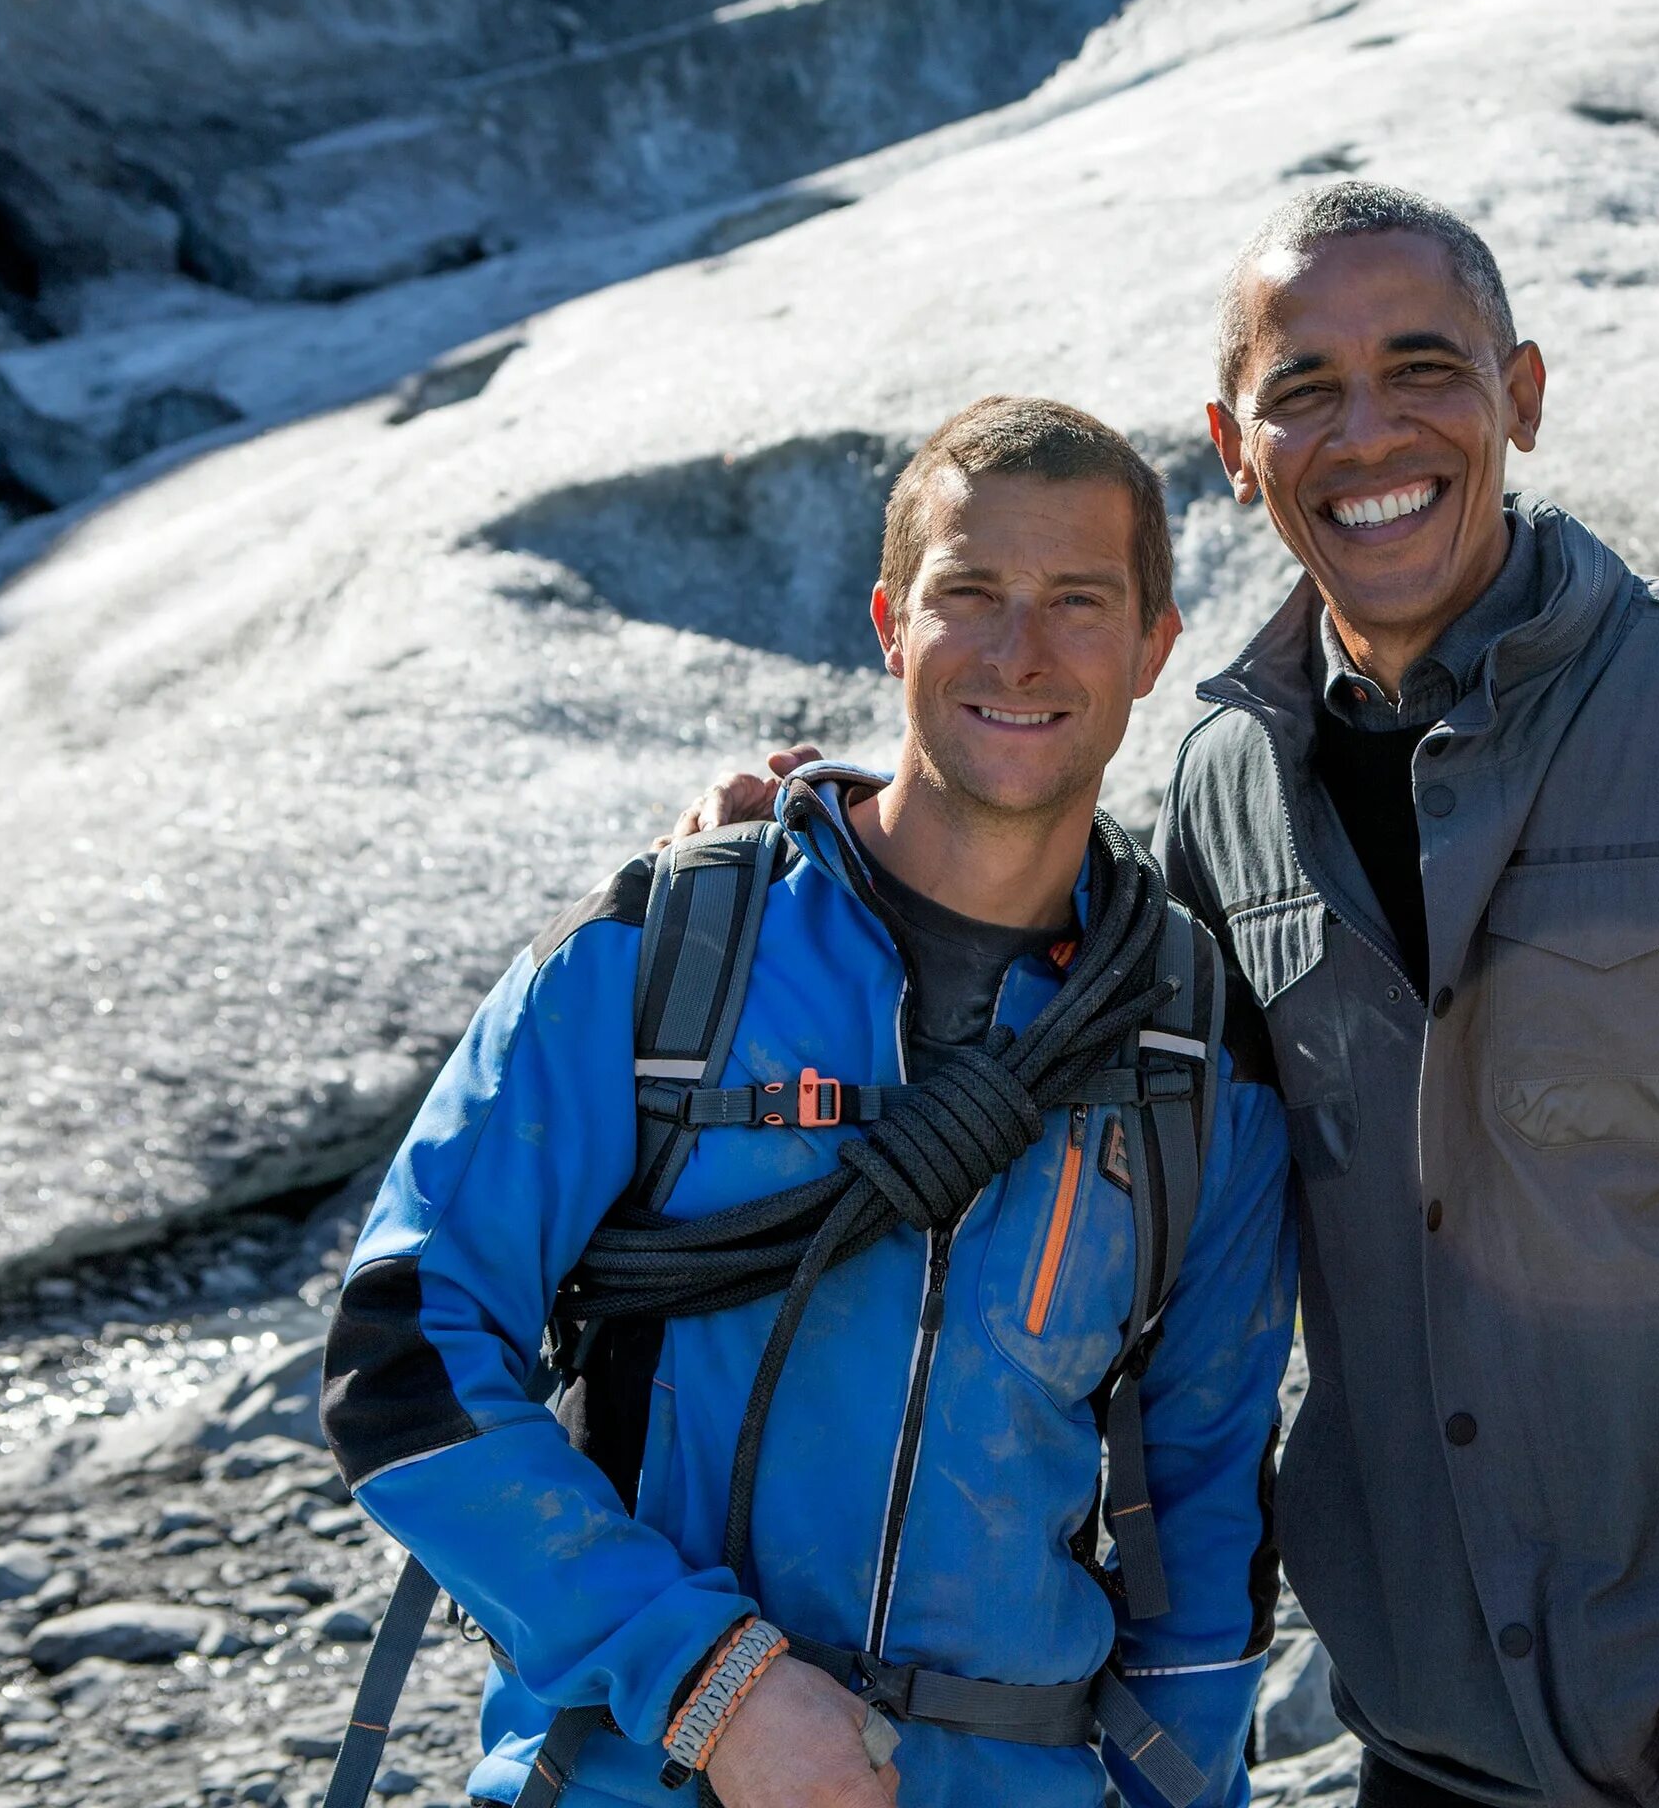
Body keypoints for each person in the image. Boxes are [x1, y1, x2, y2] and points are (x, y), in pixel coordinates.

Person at [686, 184, 1659, 1808]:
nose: (1369, 433)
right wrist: (836, 824)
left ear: (1520, 398)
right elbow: (1065, 1016)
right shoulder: (1225, 786)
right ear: (1236, 446)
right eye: (1304, 390)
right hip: (1436, 1744)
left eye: (1424, 369)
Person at [323, 397, 1295, 1808]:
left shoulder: (1190, 1056)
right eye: (972, 594)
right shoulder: (661, 962)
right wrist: (707, 1684)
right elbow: (403, 1348)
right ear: (893, 624)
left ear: (1154, 648)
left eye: (1079, 601)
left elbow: (1201, 1519)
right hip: (634, 1772)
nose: (1022, 650)